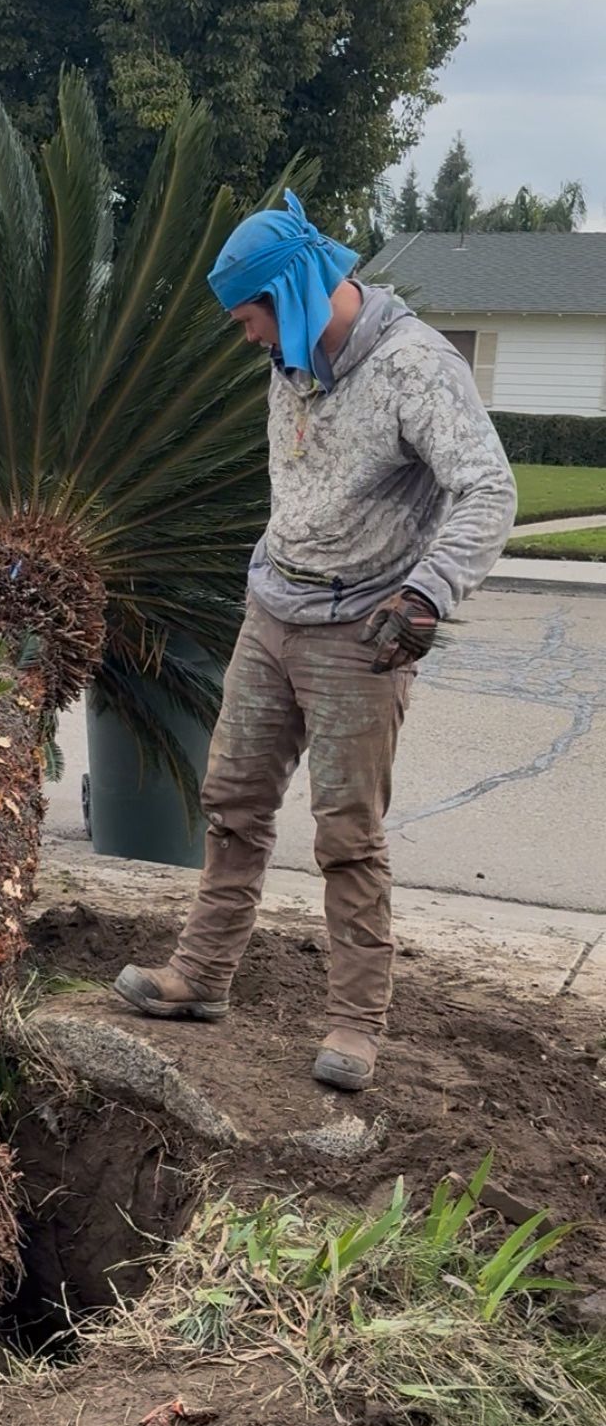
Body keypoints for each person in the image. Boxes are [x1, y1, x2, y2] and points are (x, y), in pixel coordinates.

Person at [114, 191, 516, 1091]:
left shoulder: (415, 366)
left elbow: (489, 489)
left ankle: (355, 1024)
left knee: (347, 835)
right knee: (232, 803)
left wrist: (427, 593)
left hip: (362, 632)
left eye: (246, 317)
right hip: (272, 615)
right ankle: (202, 976)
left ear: (289, 291)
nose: (246, 336)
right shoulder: (291, 356)